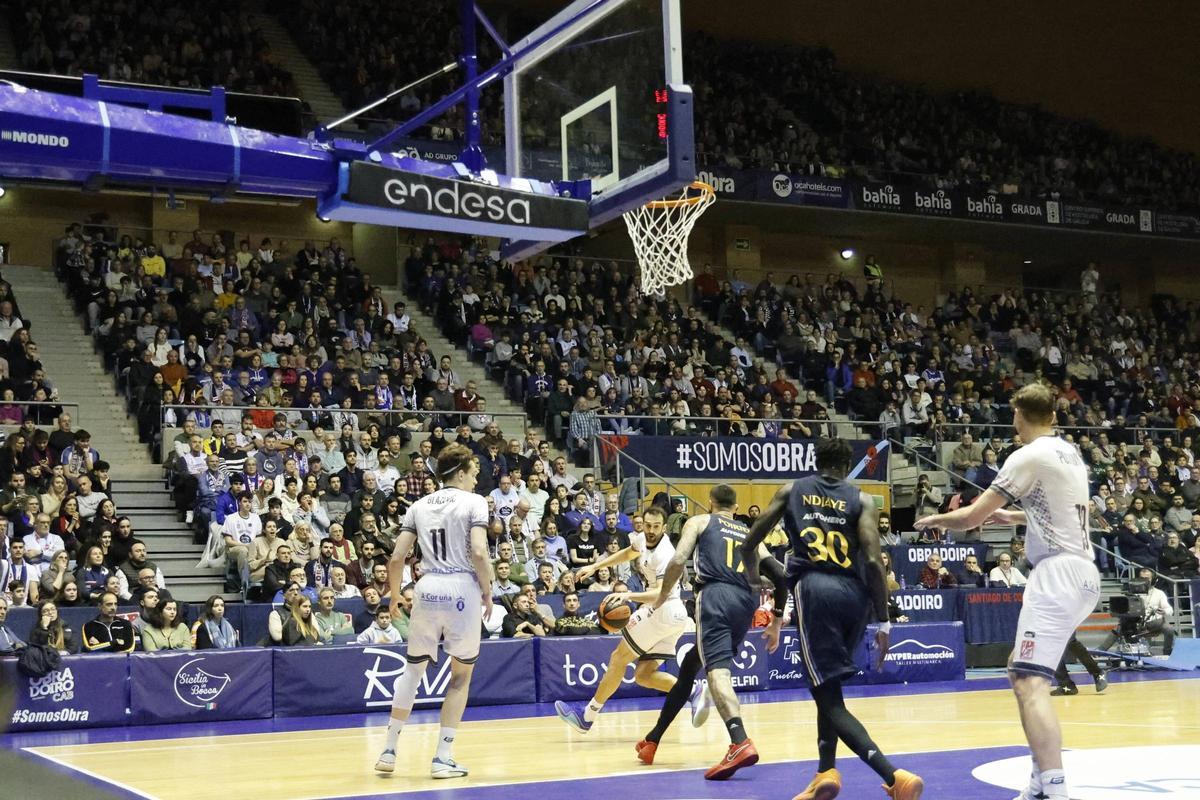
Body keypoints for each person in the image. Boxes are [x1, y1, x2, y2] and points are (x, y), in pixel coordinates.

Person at [916, 383, 1101, 800]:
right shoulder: (1068, 452)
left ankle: (1053, 789)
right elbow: (1063, 509)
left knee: (1030, 684)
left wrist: (933, 522)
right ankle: (1039, 782)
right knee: (1019, 669)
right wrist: (1013, 514)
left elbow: (968, 520)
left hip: (1057, 575)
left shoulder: (1027, 455)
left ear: (1018, 414)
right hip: (1081, 572)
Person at [743, 438, 924, 800]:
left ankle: (894, 776)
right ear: (846, 467)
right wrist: (884, 620)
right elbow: (874, 562)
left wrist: (752, 579)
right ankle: (826, 772)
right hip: (855, 596)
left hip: (816, 590)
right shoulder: (861, 499)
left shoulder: (793, 489)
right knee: (827, 687)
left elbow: (752, 539)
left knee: (827, 698)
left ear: (816, 461)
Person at [634, 485, 789, 780]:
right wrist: (776, 621)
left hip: (716, 595)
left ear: (710, 503)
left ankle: (738, 739)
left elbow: (678, 560)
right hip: (746, 601)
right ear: (736, 506)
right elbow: (781, 577)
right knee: (692, 664)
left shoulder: (700, 521)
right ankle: (652, 739)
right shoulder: (749, 532)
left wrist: (662, 595)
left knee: (717, 672)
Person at [375, 443, 493, 779]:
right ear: (460, 472)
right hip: (461, 586)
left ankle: (389, 750)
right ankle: (443, 757)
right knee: (460, 676)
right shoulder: (474, 502)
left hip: (425, 588)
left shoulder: (418, 505)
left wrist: (395, 596)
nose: (475, 480)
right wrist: (488, 591)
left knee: (412, 671)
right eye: (473, 473)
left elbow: (396, 558)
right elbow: (480, 552)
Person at [555, 506, 697, 734]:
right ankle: (692, 692)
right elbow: (629, 552)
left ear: (664, 527)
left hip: (663, 609)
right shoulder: (642, 538)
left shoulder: (666, 554)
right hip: (671, 615)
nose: (650, 530)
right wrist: (595, 566)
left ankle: (587, 717)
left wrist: (628, 595)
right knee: (643, 675)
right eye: (647, 525)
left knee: (618, 658)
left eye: (656, 527)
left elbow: (661, 593)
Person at [1100, 566, 1175, 656]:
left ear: (1154, 580)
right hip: (1135, 622)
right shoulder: (1132, 592)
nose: (1144, 580)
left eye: (1147, 578)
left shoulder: (1159, 593)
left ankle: (1167, 653)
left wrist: (1164, 611)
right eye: (1142, 578)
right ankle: (1100, 651)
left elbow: (1169, 609)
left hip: (1153, 622)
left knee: (1169, 629)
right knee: (1120, 627)